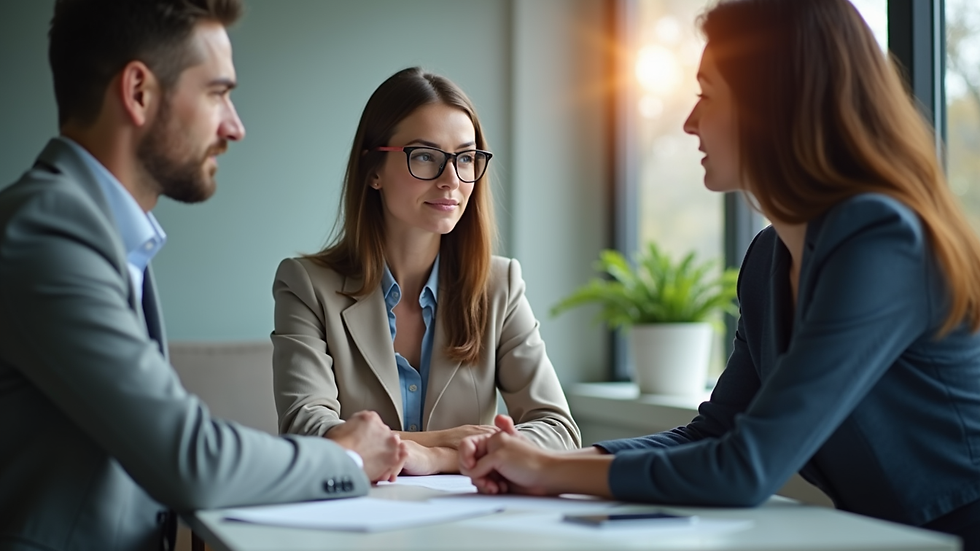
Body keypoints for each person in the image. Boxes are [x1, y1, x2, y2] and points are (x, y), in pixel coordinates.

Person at [458, 0, 980, 548]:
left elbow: (745, 468)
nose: (689, 121)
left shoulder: (881, 240)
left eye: (707, 94)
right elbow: (717, 431)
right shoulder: (766, 260)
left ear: (773, 106)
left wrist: (550, 472)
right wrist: (543, 461)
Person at [0, 1, 408, 549]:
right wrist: (346, 456)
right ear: (139, 92)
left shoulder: (96, 232)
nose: (234, 126)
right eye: (218, 93)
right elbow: (188, 457)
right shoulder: (47, 234)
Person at [271, 67, 581, 475]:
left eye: (466, 158)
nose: (451, 180)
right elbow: (308, 433)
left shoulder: (500, 286)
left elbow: (559, 430)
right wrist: (437, 440)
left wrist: (438, 456)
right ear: (374, 171)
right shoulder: (306, 285)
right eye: (425, 157)